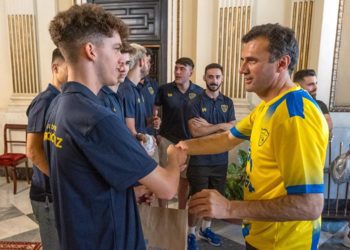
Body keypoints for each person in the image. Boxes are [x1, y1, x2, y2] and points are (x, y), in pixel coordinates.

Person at [45, 4, 186, 249]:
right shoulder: (97, 117)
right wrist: (174, 157)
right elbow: (166, 189)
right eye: (117, 48)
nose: (122, 59)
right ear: (91, 51)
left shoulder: (59, 106)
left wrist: (130, 194)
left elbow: (83, 185)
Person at [177, 23, 328, 250]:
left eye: (252, 60)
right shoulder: (267, 106)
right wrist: (181, 148)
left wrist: (229, 208)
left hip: (285, 243)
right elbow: (227, 138)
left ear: (282, 63)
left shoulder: (295, 116)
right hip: (262, 233)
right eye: (242, 60)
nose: (242, 69)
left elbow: (309, 205)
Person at [186, 63, 235, 249]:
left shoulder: (227, 102)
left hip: (220, 160)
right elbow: (195, 132)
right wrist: (220, 126)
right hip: (200, 160)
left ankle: (205, 229)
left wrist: (209, 127)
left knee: (213, 199)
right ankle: (190, 233)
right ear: (204, 78)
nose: (214, 80)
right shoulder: (195, 102)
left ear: (222, 79)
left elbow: (232, 131)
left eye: (217, 77)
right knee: (197, 200)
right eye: (210, 77)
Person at [26, 48, 67, 250]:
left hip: (58, 191)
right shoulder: (44, 101)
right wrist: (59, 179)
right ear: (55, 67)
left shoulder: (63, 99)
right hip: (47, 193)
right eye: (71, 66)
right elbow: (33, 151)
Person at [155, 57, 203, 208]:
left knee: (184, 180)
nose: (177, 71)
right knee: (164, 178)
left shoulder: (200, 93)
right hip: (168, 140)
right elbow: (154, 110)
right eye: (176, 68)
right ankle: (163, 213)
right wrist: (156, 128)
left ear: (191, 72)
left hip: (189, 143)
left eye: (182, 69)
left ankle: (181, 212)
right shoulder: (164, 90)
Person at [118, 43, 160, 140]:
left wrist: (151, 121)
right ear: (141, 62)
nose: (149, 65)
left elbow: (139, 122)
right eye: (147, 61)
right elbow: (131, 132)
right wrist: (147, 141)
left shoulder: (136, 89)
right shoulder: (126, 89)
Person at [293, 69, 333, 140]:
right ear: (298, 86)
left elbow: (327, 126)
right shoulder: (290, 104)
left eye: (316, 83)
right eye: (310, 84)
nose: (315, 88)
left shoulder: (320, 105)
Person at [138, 48, 160, 136]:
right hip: (135, 136)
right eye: (145, 62)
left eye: (149, 62)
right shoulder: (126, 86)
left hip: (151, 135)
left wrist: (158, 121)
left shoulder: (153, 84)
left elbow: (156, 109)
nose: (148, 65)